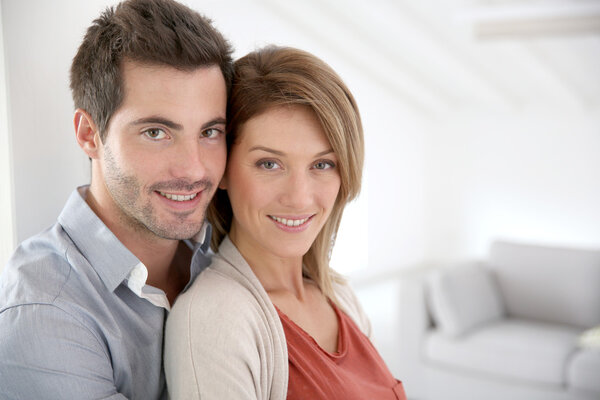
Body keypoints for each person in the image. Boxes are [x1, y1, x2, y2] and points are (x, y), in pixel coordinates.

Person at [0, 0, 232, 398]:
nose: (194, 169)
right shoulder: (46, 314)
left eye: (209, 132)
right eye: (157, 132)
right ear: (89, 134)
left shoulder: (223, 251)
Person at [165, 46, 407, 400]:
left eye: (322, 165)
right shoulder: (213, 320)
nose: (299, 198)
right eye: (269, 164)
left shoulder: (339, 297)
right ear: (223, 169)